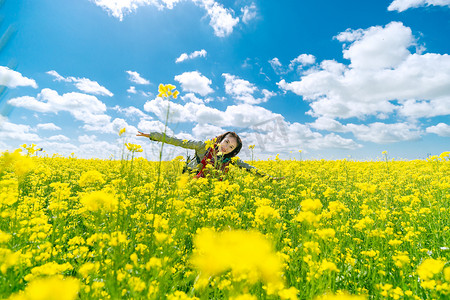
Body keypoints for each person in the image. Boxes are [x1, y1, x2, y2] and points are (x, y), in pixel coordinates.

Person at [136, 131, 284, 181]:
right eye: (226, 142)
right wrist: (153, 135)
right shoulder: (203, 146)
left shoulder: (230, 159)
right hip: (190, 180)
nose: (226, 147)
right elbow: (178, 141)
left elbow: (249, 168)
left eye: (231, 147)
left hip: (210, 188)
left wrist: (270, 178)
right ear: (221, 139)